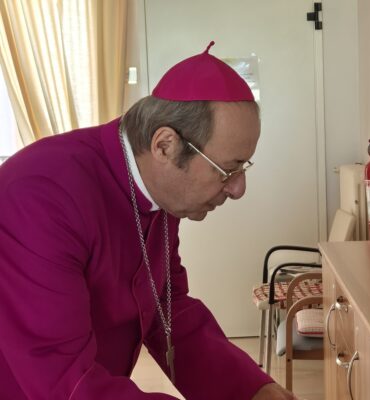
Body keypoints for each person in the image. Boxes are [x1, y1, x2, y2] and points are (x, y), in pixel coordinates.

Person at [0, 41, 296, 399]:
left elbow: (168, 309)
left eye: (243, 167)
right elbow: (63, 380)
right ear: (165, 146)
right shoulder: (41, 194)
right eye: (227, 169)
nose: (238, 189)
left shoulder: (159, 190)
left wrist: (253, 390)